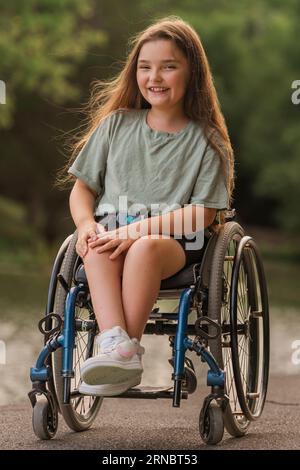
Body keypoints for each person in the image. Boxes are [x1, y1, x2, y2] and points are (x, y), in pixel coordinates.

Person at [64, 16, 234, 396]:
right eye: (145, 67)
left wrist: (136, 229)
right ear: (134, 72)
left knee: (142, 247)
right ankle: (117, 345)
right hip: (111, 229)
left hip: (170, 242)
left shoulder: (206, 142)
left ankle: (126, 350)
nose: (154, 76)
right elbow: (82, 190)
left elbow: (203, 214)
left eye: (168, 66)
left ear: (192, 73)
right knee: (94, 242)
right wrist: (86, 223)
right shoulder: (116, 126)